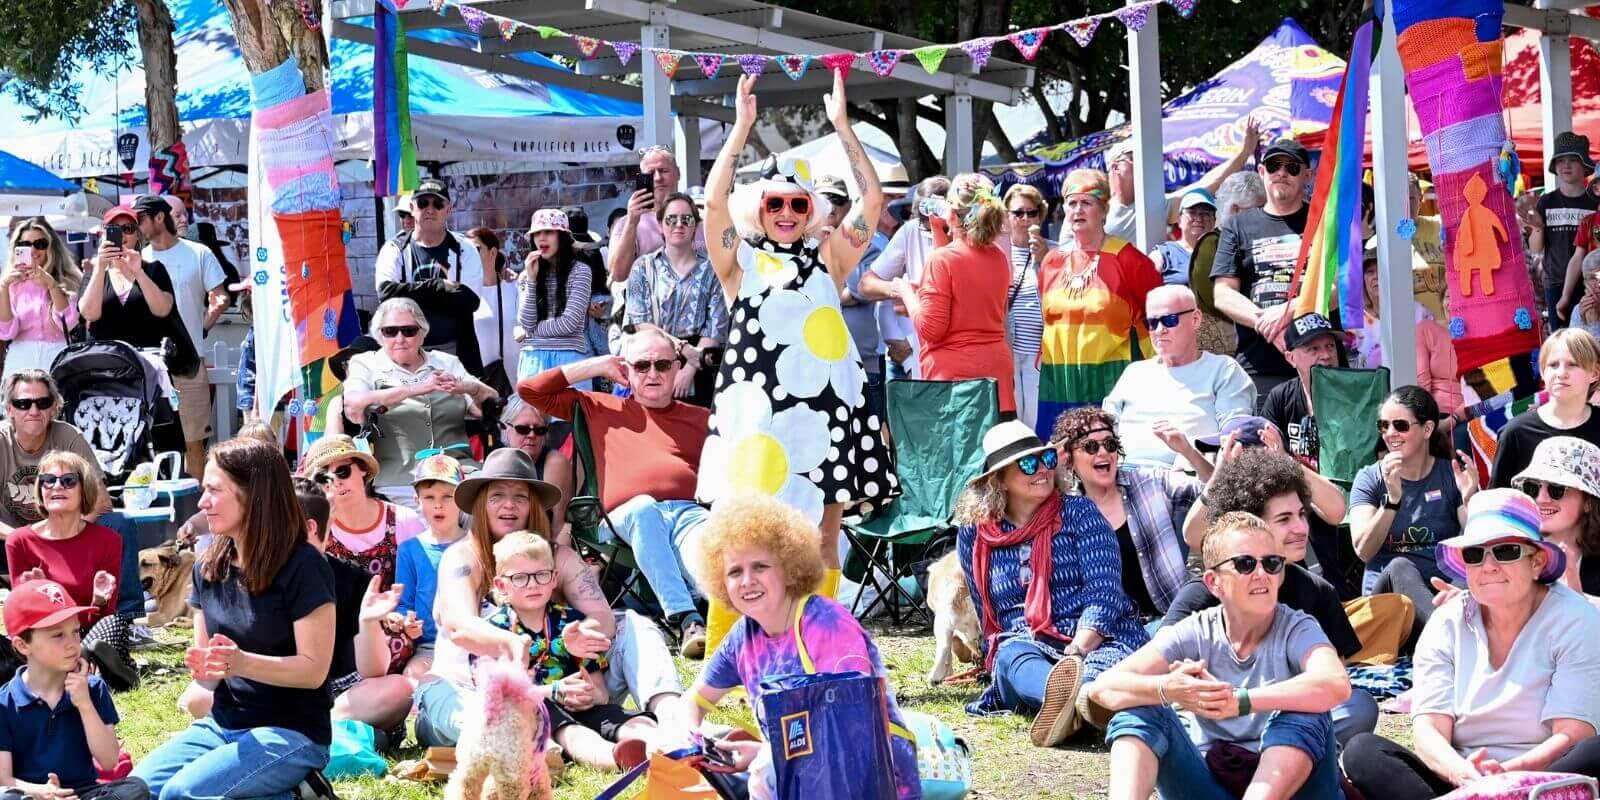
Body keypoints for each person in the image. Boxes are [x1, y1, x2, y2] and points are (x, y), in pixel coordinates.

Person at [697, 71, 894, 599]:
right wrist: (740, 129)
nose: (786, 213)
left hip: (826, 413)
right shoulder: (739, 261)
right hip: (757, 419)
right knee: (743, 537)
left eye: (798, 204)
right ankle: (735, 646)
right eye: (774, 203)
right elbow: (714, 205)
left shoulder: (828, 258)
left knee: (824, 538)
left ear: (812, 211)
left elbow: (871, 200)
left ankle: (821, 643)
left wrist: (842, 127)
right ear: (758, 207)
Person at [414, 448, 684, 747]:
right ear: (481, 505)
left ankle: (673, 716)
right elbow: (458, 626)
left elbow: (603, 620)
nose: (509, 505)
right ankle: (541, 740)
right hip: (473, 691)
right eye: (497, 496)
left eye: (520, 496)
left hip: (561, 683)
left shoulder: (560, 557)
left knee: (634, 624)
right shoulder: (462, 557)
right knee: (487, 716)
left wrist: (574, 636)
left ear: (533, 506)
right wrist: (514, 644)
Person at [1343, 489, 1600, 799]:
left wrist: (1506, 778)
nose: (1488, 566)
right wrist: (1464, 775)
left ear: (1537, 561)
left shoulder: (1576, 618)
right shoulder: (1446, 622)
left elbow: (1573, 734)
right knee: (1363, 751)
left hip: (1545, 778)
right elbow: (1429, 730)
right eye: (1475, 555)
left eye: (1505, 551)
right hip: (1463, 781)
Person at [666, 493, 921, 797]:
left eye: (760, 566)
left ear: (789, 568)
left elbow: (848, 727)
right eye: (735, 571)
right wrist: (690, 739)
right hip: (797, 776)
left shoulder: (826, 623)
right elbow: (693, 702)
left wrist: (766, 754)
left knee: (762, 770)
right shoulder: (741, 638)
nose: (746, 580)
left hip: (868, 780)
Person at [1087, 512, 1351, 800]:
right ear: (1213, 582)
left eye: (1272, 563)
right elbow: (1103, 688)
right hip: (1213, 783)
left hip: (1300, 792)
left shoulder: (1298, 627)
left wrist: (1241, 701)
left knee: (1307, 709)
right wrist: (1169, 689)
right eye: (1245, 564)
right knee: (1141, 708)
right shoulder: (1196, 630)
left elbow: (1335, 683)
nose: (1262, 574)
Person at [131, 439, 336, 800]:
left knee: (180, 794)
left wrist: (241, 663)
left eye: (213, 490)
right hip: (223, 723)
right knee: (135, 791)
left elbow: (313, 670)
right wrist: (205, 666)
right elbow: (208, 675)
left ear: (253, 495)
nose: (201, 502)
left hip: (293, 732)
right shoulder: (209, 566)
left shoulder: (304, 566)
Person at [953, 420, 1148, 746]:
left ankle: (1072, 701)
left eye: (1046, 460)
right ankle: (1080, 704)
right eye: (1028, 464)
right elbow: (986, 609)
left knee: (1102, 665)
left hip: (1094, 639)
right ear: (998, 479)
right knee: (1012, 656)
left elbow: (1105, 593)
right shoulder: (974, 534)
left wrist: (1077, 650)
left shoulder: (1080, 513)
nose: (1041, 470)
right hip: (1025, 643)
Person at [520, 326, 712, 656]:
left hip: (688, 513)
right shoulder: (600, 406)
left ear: (677, 368)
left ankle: (734, 622)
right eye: (641, 366)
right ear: (627, 369)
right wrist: (598, 366)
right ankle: (686, 619)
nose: (653, 373)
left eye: (663, 365)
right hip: (622, 517)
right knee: (643, 509)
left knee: (710, 547)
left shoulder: (702, 418)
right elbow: (531, 390)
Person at [1171, 447, 1375, 744]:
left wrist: (1256, 701)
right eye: (1284, 519)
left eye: (1302, 515)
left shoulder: (1317, 591)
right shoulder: (1206, 591)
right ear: (1251, 525)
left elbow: (1335, 684)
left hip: (1288, 722)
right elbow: (1166, 672)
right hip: (1215, 726)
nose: (1301, 528)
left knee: (1359, 706)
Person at [484, 532, 659, 771]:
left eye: (541, 575)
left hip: (583, 706)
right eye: (521, 577)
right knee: (572, 733)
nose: (533, 584)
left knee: (625, 719)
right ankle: (617, 759)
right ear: (501, 585)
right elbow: (498, 695)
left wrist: (590, 696)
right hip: (536, 712)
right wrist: (554, 691)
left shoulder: (573, 623)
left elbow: (600, 691)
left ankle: (666, 746)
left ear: (554, 578)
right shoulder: (495, 631)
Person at [1034, 169, 1163, 440]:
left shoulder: (1128, 259)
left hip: (1111, 378)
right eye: (1071, 203)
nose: (1077, 210)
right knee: (1061, 456)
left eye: (1087, 203)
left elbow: (1158, 313)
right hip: (1061, 379)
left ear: (1104, 209)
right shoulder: (1052, 262)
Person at [0, 579, 150, 800]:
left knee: (135, 788)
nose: (73, 644)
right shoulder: (5, 703)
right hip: (34, 795)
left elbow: (109, 761)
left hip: (86, 793)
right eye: (58, 635)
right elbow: (4, 780)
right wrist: (44, 792)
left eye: (76, 631)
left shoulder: (93, 688)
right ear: (23, 645)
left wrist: (84, 704)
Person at [342, 297, 495, 505]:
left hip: (460, 471)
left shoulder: (446, 362)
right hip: (401, 479)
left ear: (422, 333)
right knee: (418, 524)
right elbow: (353, 402)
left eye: (409, 331)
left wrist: (468, 387)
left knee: (488, 504)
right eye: (390, 331)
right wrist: (417, 389)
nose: (400, 338)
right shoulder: (367, 363)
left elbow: (486, 406)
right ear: (379, 335)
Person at [1054, 408, 1201, 621]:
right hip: (1113, 633)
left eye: (1110, 444)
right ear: (1070, 458)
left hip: (1174, 621)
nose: (1103, 453)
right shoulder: (1066, 512)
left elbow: (1213, 494)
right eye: (1090, 447)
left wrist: (1188, 451)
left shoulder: (1148, 481)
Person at [5, 452, 135, 690]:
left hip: (90, 629)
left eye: (68, 481)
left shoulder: (108, 540)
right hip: (45, 634)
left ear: (84, 489)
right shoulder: (19, 541)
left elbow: (106, 614)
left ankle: (72, 668)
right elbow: (22, 622)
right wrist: (42, 599)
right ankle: (84, 670)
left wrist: (98, 600)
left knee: (113, 625)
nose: (57, 486)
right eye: (48, 480)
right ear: (40, 489)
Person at [892, 173, 1016, 415]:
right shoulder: (998, 257)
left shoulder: (943, 260)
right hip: (996, 380)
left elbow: (931, 329)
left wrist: (906, 293)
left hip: (956, 389)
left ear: (952, 212)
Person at [1348, 386, 1475, 614]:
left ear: (1427, 429)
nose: (1390, 433)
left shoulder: (1450, 474)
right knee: (1400, 567)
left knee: (1474, 571)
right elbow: (1364, 550)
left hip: (1441, 592)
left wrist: (1469, 500)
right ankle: (1443, 632)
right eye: (1383, 425)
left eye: (1400, 425)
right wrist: (1392, 500)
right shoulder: (1370, 478)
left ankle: (1444, 625)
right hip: (1389, 600)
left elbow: (1475, 542)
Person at [1103, 285, 1255, 469]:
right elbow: (1104, 427)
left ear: (1196, 319)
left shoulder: (1223, 370)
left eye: (1169, 320)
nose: (1159, 330)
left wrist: (1189, 453)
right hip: (1120, 477)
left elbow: (1235, 435)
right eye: (1151, 323)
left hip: (1186, 478)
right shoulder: (1134, 372)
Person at [1212, 138, 1314, 400]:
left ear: (1307, 175)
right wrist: (1265, 322)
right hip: (1259, 364)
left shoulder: (1324, 221)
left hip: (1317, 359)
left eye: (1291, 167)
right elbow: (1222, 293)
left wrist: (1288, 310)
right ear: (1261, 172)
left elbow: (1338, 286)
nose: (1281, 173)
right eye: (1273, 166)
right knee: (1262, 440)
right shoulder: (1237, 225)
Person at [135, 196, 229, 478]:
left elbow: (220, 296)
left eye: (140, 219)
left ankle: (196, 506)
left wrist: (202, 327)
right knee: (152, 441)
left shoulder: (198, 253)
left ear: (158, 218)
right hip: (149, 362)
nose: (137, 226)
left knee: (194, 443)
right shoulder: (140, 259)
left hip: (187, 362)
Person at [623, 192, 730, 406]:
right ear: (661, 224)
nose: (678, 224)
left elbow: (716, 326)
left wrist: (690, 367)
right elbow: (639, 322)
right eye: (671, 219)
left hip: (701, 364)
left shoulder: (713, 269)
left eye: (686, 219)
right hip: (652, 359)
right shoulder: (643, 268)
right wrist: (681, 351)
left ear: (695, 226)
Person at [374, 178, 487, 374]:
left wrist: (409, 297)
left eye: (437, 203)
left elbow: (469, 302)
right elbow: (386, 294)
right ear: (412, 207)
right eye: (423, 203)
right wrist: (438, 286)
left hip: (455, 352)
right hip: (405, 354)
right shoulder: (394, 249)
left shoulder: (465, 249)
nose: (430, 209)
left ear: (448, 209)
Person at [78, 207, 200, 383]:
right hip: (105, 370)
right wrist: (99, 267)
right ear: (103, 236)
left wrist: (138, 272)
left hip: (147, 368)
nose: (122, 235)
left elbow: (163, 310)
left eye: (128, 229)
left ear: (137, 236)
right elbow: (89, 313)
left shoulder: (153, 270)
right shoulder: (95, 274)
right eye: (114, 230)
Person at [1101, 118, 1261, 243]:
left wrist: (1244, 153)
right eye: (1136, 159)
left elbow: (1206, 185)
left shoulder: (1153, 205)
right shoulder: (1097, 208)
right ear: (1116, 168)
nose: (1145, 165)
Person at [1351, 244, 1463, 419]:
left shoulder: (1418, 312)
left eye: (1381, 269)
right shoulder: (1355, 320)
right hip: (1371, 401)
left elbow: (1434, 364)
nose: (1376, 277)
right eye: (1370, 272)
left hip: (1415, 399)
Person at [858, 175, 952, 379]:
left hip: (959, 351)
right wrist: (898, 289)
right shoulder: (911, 231)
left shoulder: (969, 234)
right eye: (925, 218)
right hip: (919, 352)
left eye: (939, 216)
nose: (932, 224)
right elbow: (866, 284)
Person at [1492, 328, 1600, 488]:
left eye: (1572, 364)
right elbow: (1499, 506)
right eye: (1553, 365)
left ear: (1595, 373)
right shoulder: (1515, 433)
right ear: (1542, 372)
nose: (1561, 373)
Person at [0, 371, 103, 536]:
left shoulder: (69, 437)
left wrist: (69, 536)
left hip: (65, 534)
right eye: (23, 403)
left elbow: (100, 499)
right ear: (9, 409)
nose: (33, 411)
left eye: (43, 402)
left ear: (54, 407)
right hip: (8, 539)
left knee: (120, 522)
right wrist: (23, 539)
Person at [394, 454, 468, 679]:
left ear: (462, 500)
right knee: (414, 677)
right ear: (417, 500)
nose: (438, 504)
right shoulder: (409, 550)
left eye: (448, 496)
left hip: (473, 644)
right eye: (429, 497)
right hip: (429, 647)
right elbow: (404, 603)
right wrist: (407, 623)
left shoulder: (475, 545)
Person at [1510, 437, 1600, 596]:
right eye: (1532, 487)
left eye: (1556, 489)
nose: (1541, 499)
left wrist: (1575, 592)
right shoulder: (1511, 551)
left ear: (1588, 502)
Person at [834, 176, 893, 420]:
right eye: (825, 200)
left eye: (837, 201)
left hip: (864, 359)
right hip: (821, 361)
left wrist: (831, 294)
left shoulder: (869, 244)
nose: (832, 208)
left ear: (849, 205)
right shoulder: (807, 244)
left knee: (871, 435)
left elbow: (860, 288)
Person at [608, 145, 705, 284]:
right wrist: (632, 222)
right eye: (651, 173)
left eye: (664, 171)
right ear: (642, 178)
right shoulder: (626, 224)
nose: (658, 178)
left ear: (678, 173)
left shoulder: (701, 220)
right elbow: (617, 274)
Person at [517, 209, 593, 385]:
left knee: (570, 413)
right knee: (529, 413)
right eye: (537, 233)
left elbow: (569, 323)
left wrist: (531, 332)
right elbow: (526, 322)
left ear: (562, 237)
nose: (541, 238)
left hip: (570, 359)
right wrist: (531, 280)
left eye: (549, 232)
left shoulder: (580, 271)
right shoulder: (526, 275)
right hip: (532, 359)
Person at [0, 219, 81, 380]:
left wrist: (51, 285)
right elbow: (6, 330)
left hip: (57, 356)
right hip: (21, 358)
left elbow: (68, 321)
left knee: (59, 403)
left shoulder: (67, 279)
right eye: (25, 244)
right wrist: (3, 288)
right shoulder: (11, 283)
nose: (32, 250)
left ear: (51, 247)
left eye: (40, 244)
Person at [1534, 132, 1599, 329]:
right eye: (1560, 160)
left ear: (1585, 167)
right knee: (1561, 340)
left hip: (1591, 282)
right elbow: (1536, 248)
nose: (1566, 165)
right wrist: (1536, 225)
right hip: (1555, 281)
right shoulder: (1547, 201)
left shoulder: (1594, 204)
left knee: (1590, 338)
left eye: (1573, 160)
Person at [1000, 185, 1051, 429]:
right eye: (1018, 213)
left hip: (1037, 351)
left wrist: (1044, 260)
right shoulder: (998, 251)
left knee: (1034, 420)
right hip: (1007, 349)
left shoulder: (1052, 251)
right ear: (1006, 217)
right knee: (1012, 420)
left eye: (1032, 213)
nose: (1025, 219)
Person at [496, 395, 573, 532]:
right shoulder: (497, 461)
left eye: (539, 430)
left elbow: (561, 526)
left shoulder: (555, 463)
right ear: (505, 428)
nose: (532, 435)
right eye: (523, 429)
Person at [466, 227, 520, 396]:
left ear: (493, 252)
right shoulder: (464, 294)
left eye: (475, 249)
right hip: (481, 383)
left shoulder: (515, 288)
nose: (470, 256)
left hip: (517, 379)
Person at [1148, 188, 1218, 286]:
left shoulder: (1224, 253)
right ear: (1179, 220)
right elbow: (1143, 291)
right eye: (1192, 212)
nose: (1199, 218)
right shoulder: (1163, 254)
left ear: (1214, 221)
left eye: (1206, 213)